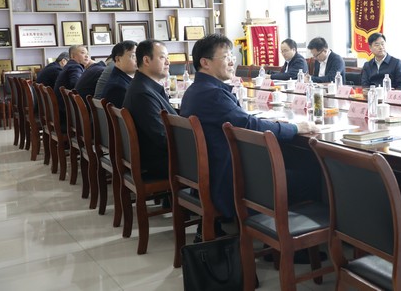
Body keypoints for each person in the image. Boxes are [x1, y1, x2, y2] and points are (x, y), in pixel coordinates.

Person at [180, 34, 319, 222]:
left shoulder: (195, 90)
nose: (232, 61)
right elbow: (250, 125)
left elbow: (242, 121)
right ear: (205, 63)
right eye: (226, 57)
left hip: (215, 173)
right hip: (231, 182)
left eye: (232, 56)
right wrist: (295, 128)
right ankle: (297, 236)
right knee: (314, 174)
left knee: (296, 161)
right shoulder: (213, 94)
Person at [123, 39, 176, 180]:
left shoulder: (145, 86)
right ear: (146, 60)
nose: (168, 62)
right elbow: (162, 137)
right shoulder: (142, 93)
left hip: (159, 156)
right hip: (159, 162)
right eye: (163, 57)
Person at [54, 45, 90, 128]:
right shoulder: (75, 66)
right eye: (83, 53)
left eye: (87, 53)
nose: (86, 56)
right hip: (67, 113)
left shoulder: (69, 65)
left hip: (62, 110)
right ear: (73, 56)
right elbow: (76, 84)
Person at [101, 41, 138, 107]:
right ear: (118, 59)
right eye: (134, 56)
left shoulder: (121, 78)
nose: (138, 60)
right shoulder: (118, 87)